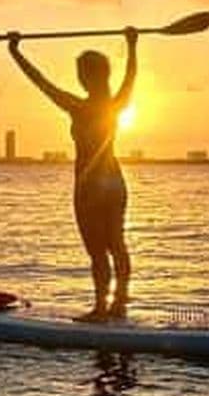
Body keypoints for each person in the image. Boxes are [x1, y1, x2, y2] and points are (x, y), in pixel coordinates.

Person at [8, 27, 138, 321]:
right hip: (115, 181)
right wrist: (132, 46)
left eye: (80, 72)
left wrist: (15, 52)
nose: (78, 76)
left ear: (86, 76)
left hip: (90, 184)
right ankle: (119, 304)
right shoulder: (115, 106)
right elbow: (131, 78)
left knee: (97, 249)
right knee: (117, 242)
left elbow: (39, 82)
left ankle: (101, 309)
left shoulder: (78, 107)